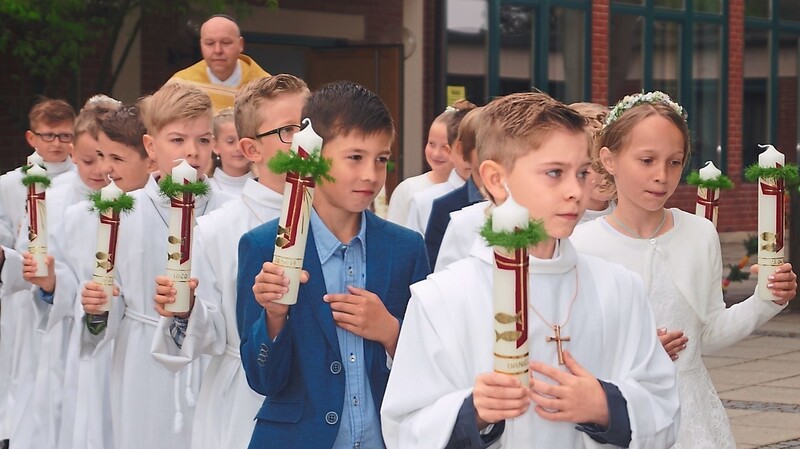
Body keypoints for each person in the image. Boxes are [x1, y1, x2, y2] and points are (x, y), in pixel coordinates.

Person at [381, 92, 680, 448]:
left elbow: (664, 408)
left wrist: (605, 405)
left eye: (582, 172)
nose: (575, 191)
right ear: (495, 179)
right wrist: (472, 411)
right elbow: (405, 427)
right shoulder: (441, 299)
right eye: (554, 173)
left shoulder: (620, 289)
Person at [570, 91, 798, 448]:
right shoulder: (582, 246)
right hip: (619, 417)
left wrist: (766, 300)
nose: (661, 175)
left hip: (690, 417)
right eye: (646, 160)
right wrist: (637, 353)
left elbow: (708, 333)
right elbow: (567, 348)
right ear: (609, 159)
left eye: (674, 162)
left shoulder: (698, 233)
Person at [237, 81, 430, 448]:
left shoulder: (405, 248)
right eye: (355, 157)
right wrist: (274, 317)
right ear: (310, 157)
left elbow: (431, 365)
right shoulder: (264, 246)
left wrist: (391, 331)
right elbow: (261, 379)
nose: (372, 175)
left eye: (382, 159)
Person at [151, 74, 309, 449]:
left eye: (309, 125)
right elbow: (211, 332)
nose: (305, 139)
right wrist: (186, 311)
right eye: (289, 130)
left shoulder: (336, 217)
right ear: (251, 149)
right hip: (245, 400)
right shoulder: (218, 228)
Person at [79, 83, 234, 449]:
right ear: (151, 147)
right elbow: (105, 318)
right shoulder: (121, 214)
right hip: (141, 366)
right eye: (177, 140)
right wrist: (98, 308)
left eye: (203, 140)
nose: (192, 153)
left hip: (210, 364)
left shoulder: (231, 212)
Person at [11, 95, 120, 449]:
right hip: (59, 330)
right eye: (88, 160)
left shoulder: (128, 200)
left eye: (109, 159)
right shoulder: (50, 199)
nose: (99, 170)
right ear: (73, 153)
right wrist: (50, 283)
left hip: (113, 333)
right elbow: (34, 258)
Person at [55, 102, 154, 449]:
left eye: (116, 158)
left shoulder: (171, 216)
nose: (105, 169)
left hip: (146, 351)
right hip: (95, 351)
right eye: (99, 156)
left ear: (150, 156)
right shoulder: (80, 217)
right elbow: (68, 282)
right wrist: (92, 305)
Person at [0, 98, 77, 448]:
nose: (57, 143)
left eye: (65, 135)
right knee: (18, 368)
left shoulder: (82, 181)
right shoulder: (10, 184)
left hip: (59, 286)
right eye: (49, 135)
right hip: (19, 292)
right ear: (32, 138)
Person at [424, 106, 485, 270]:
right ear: (462, 150)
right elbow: (432, 269)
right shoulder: (444, 207)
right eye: (482, 145)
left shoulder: (519, 202)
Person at [168, 14, 270, 111]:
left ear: (240, 44)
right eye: (210, 43)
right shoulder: (180, 86)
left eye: (226, 42)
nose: (217, 50)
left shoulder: (266, 88)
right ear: (201, 45)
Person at [404, 100, 476, 234]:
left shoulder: (498, 198)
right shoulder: (425, 200)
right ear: (452, 151)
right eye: (431, 143)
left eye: (476, 149)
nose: (468, 159)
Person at [386, 107, 454, 225]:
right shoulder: (407, 189)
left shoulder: (476, 191)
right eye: (431, 144)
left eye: (445, 147)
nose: (436, 153)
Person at [570, 102, 616, 225]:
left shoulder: (631, 215)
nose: (605, 171)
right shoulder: (560, 220)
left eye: (611, 160)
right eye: (592, 161)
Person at [207, 107, 254, 195]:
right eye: (230, 142)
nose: (239, 148)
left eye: (243, 140)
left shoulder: (263, 187)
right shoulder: (206, 189)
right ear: (215, 146)